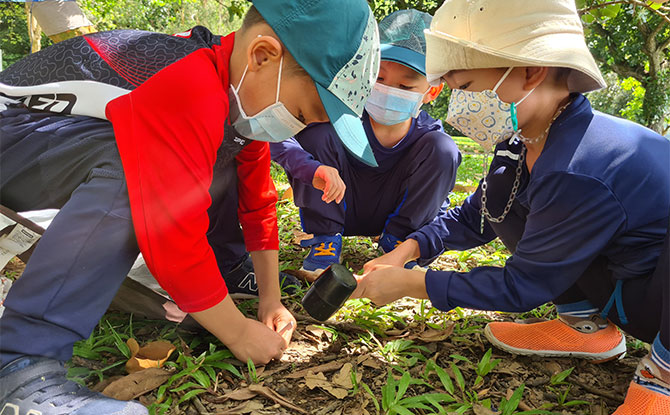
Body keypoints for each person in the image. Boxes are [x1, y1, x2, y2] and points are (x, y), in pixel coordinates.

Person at [0, 0, 380, 413]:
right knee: (136, 166)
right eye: (305, 113)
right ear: (262, 55)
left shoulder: (237, 104)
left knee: (207, 169)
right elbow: (173, 232)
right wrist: (237, 333)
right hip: (16, 137)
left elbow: (259, 206)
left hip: (42, 152)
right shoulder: (189, 80)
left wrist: (271, 299)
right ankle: (20, 365)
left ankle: (212, 283)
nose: (300, 128)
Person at [352, 0, 670, 413]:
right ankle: (586, 326)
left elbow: (524, 285)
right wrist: (409, 250)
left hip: (655, 294)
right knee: (507, 200)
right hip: (630, 288)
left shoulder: (580, 165)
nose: (458, 105)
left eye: (465, 87)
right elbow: (479, 213)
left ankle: (663, 372)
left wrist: (415, 285)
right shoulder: (525, 145)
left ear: (530, 72)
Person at [270, 9, 460, 276]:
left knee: (444, 149)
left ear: (432, 91)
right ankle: (325, 238)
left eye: (405, 87)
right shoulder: (339, 114)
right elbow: (278, 133)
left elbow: (440, 195)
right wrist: (309, 168)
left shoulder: (429, 140)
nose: (388, 90)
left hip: (392, 213)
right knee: (318, 134)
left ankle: (399, 242)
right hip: (335, 203)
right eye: (379, 79)